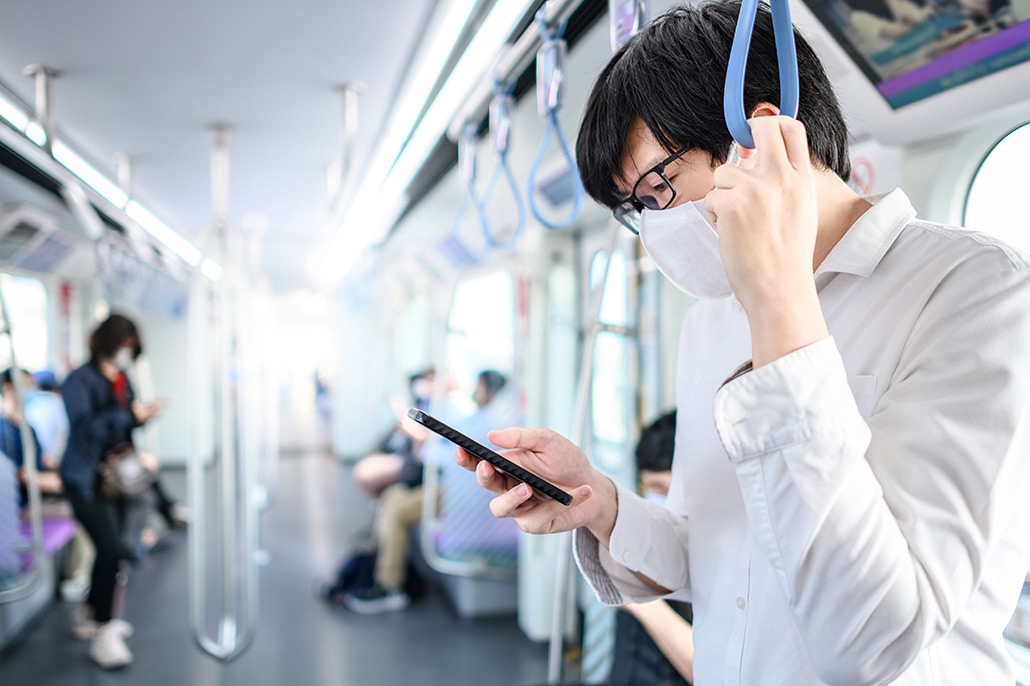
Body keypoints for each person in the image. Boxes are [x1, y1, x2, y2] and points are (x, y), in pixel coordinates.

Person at [457, 3, 1030, 684]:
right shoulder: (712, 318)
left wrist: (780, 303)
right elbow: (720, 554)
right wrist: (600, 502)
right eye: (636, 210)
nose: (657, 226)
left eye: (658, 187)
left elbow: (877, 641)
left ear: (755, 137)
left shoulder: (975, 290)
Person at [345, 370, 506, 614]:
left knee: (396, 511)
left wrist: (424, 447)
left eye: (480, 386)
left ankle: (391, 587)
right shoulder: (475, 417)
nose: (475, 391)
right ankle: (378, 563)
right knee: (391, 496)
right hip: (447, 482)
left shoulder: (484, 422)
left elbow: (454, 462)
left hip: (456, 490)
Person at [59, 314, 160, 669]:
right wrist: (127, 415)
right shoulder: (78, 381)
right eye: (124, 346)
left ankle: (91, 614)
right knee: (110, 548)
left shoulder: (122, 379)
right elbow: (86, 429)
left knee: (111, 547)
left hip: (115, 478)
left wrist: (140, 417)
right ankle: (104, 632)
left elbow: (122, 428)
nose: (126, 354)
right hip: (84, 479)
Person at [352, 369, 434, 499]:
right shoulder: (421, 404)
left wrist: (403, 419)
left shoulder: (440, 408)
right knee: (364, 471)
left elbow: (421, 439)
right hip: (406, 455)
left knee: (365, 473)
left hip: (418, 464)